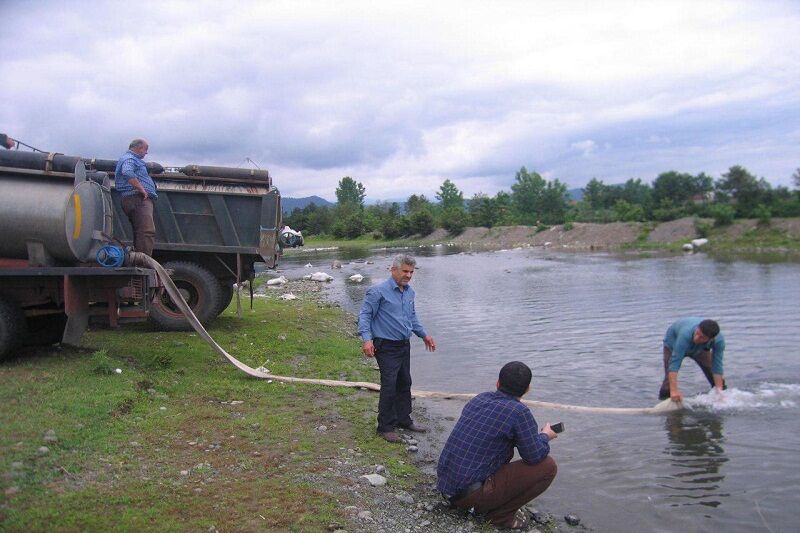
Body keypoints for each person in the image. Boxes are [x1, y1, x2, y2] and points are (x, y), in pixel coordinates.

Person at [437, 361, 558, 530]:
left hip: (446, 485)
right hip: (467, 496)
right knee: (548, 466)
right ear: (527, 389)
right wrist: (545, 436)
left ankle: (486, 501)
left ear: (497, 383)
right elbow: (534, 456)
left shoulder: (480, 398)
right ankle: (501, 516)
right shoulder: (519, 412)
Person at [358, 254, 436, 443]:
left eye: (411, 272)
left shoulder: (409, 292)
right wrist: (367, 340)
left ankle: (403, 419)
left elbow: (412, 317)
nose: (408, 275)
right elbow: (365, 316)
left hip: (403, 344)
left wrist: (424, 334)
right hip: (385, 345)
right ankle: (384, 427)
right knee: (389, 384)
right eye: (405, 271)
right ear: (393, 270)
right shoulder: (377, 291)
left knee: (405, 382)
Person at [659, 317, 726, 402]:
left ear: (711, 339)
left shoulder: (719, 341)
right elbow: (674, 364)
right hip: (674, 343)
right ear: (697, 328)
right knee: (669, 382)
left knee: (715, 377)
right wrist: (674, 391)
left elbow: (717, 366)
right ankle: (666, 401)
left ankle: (720, 396)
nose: (697, 338)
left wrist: (719, 392)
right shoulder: (685, 334)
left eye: (702, 337)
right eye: (697, 333)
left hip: (700, 348)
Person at [115, 139, 158, 256]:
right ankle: (143, 261)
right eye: (145, 149)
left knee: (140, 231)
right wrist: (141, 189)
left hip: (134, 198)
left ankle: (139, 258)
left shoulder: (130, 159)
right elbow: (127, 172)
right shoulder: (130, 159)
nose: (146, 153)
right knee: (146, 231)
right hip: (137, 198)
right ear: (138, 148)